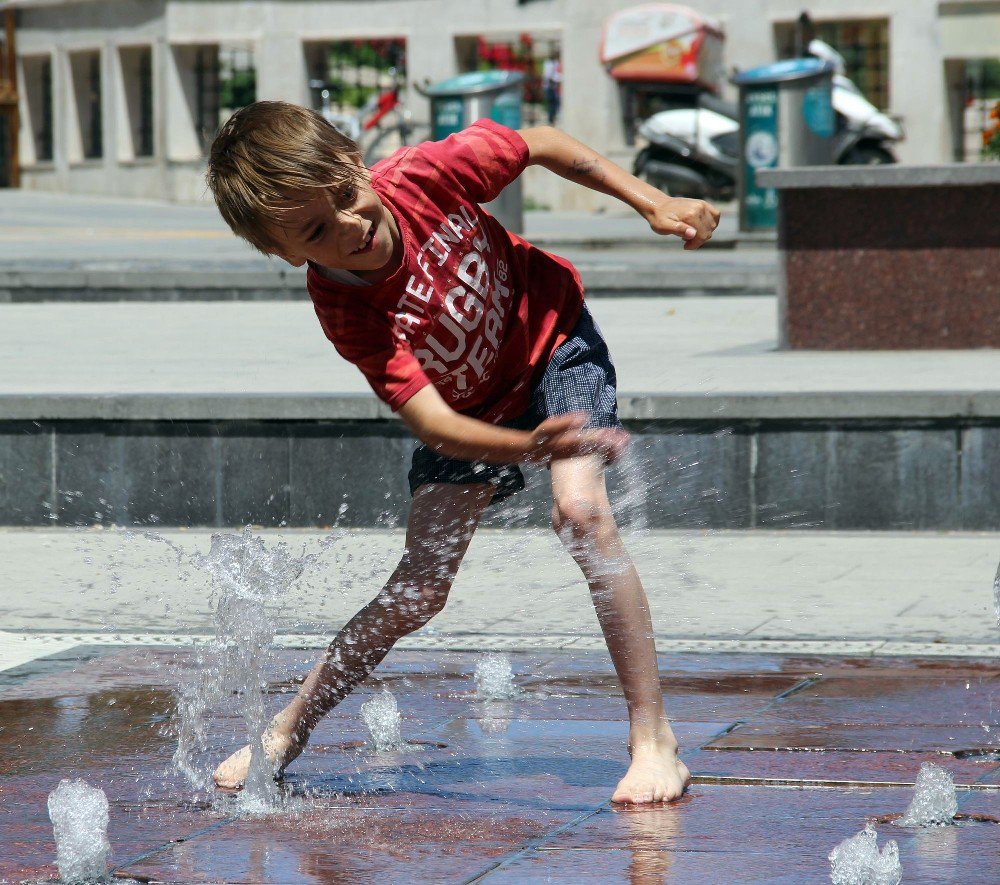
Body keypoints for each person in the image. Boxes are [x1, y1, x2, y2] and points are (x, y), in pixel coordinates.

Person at [206, 101, 719, 804]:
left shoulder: (424, 175)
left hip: (552, 348)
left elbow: (540, 143)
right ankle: (287, 729)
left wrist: (653, 202)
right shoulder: (347, 309)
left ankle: (654, 739)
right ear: (287, 251)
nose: (355, 225)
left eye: (349, 198)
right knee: (419, 586)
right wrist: (523, 445)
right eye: (320, 230)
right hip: (474, 414)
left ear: (357, 162)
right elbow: (435, 422)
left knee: (582, 514)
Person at [541, 49, 563, 124]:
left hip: (555, 86)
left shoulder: (556, 63)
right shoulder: (548, 63)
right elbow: (547, 75)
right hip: (549, 86)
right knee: (551, 103)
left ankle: (554, 117)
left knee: (556, 103)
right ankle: (551, 119)